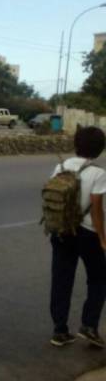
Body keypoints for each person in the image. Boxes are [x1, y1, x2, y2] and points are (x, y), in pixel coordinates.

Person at [48, 126, 106, 348]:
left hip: (61, 230)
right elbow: (96, 210)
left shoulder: (60, 166)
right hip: (87, 234)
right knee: (99, 278)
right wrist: (102, 238)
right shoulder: (98, 173)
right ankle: (89, 325)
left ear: (77, 144)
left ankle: (59, 330)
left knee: (61, 280)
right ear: (99, 149)